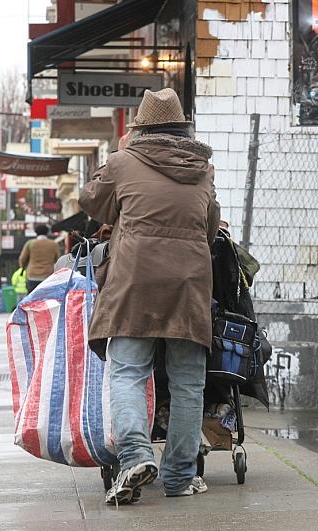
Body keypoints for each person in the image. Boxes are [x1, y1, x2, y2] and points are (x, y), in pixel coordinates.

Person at [79, 87, 220, 504]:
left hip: (135, 280)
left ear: (140, 129)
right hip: (190, 283)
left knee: (127, 373)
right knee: (189, 384)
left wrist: (119, 160)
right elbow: (210, 227)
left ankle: (137, 456)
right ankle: (178, 478)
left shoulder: (124, 162)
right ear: (181, 128)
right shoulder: (203, 169)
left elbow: (92, 202)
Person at [18, 224, 61, 293]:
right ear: (47, 232)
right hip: (48, 277)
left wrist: (24, 267)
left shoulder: (30, 243)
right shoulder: (54, 244)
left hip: (32, 276)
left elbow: (22, 259)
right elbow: (59, 261)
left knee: (32, 300)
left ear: (36, 232)